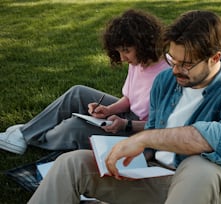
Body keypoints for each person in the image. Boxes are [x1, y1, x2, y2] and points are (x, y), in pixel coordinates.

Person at [28, 10, 221, 204]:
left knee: (198, 167)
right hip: (156, 176)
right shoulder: (166, 81)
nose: (175, 70)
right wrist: (131, 157)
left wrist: (144, 138)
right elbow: (152, 139)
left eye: (185, 64)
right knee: (71, 164)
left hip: (210, 184)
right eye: (172, 60)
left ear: (214, 58)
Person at [0, 9, 168, 155]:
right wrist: (108, 109)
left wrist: (126, 124)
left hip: (142, 133)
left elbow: (163, 125)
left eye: (126, 51)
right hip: (128, 118)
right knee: (77, 92)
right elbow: (129, 99)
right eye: (119, 52)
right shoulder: (139, 62)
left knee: (75, 127)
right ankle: (24, 133)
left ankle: (33, 137)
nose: (123, 58)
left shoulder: (167, 74)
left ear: (144, 44)